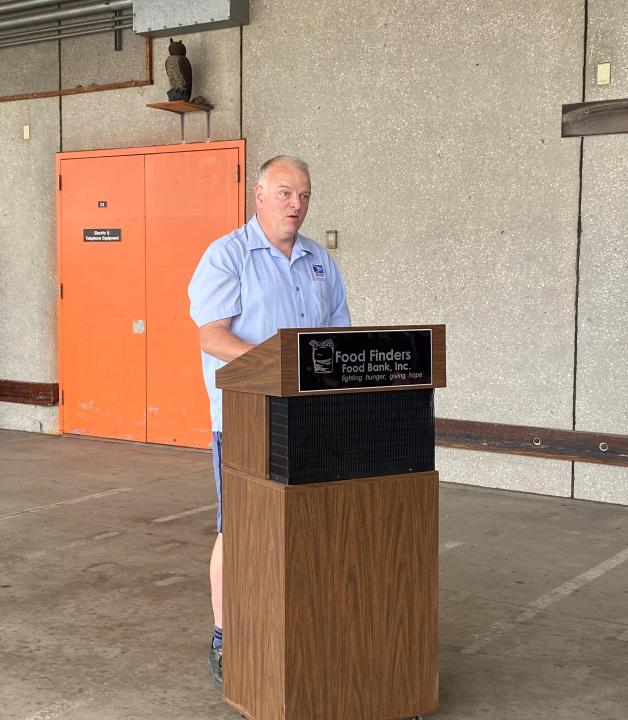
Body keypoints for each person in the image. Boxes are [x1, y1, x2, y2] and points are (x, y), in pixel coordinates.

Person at [187, 155, 351, 686]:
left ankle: (295, 623)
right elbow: (213, 336)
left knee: (306, 522)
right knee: (238, 529)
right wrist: (279, 369)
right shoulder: (226, 256)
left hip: (311, 419)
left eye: (303, 196)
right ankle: (225, 637)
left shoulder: (320, 261)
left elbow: (339, 338)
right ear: (258, 196)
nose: (296, 205)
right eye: (284, 194)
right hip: (246, 419)